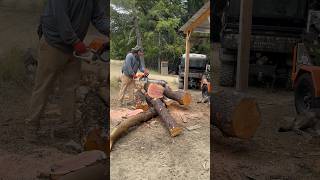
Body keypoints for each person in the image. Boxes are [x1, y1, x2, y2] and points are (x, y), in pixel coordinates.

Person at [25, 0, 109, 140]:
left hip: (73, 47)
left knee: (70, 88)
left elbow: (99, 18)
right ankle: (31, 127)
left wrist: (112, 30)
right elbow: (61, 19)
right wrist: (75, 41)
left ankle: (65, 127)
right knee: (44, 86)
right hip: (54, 43)